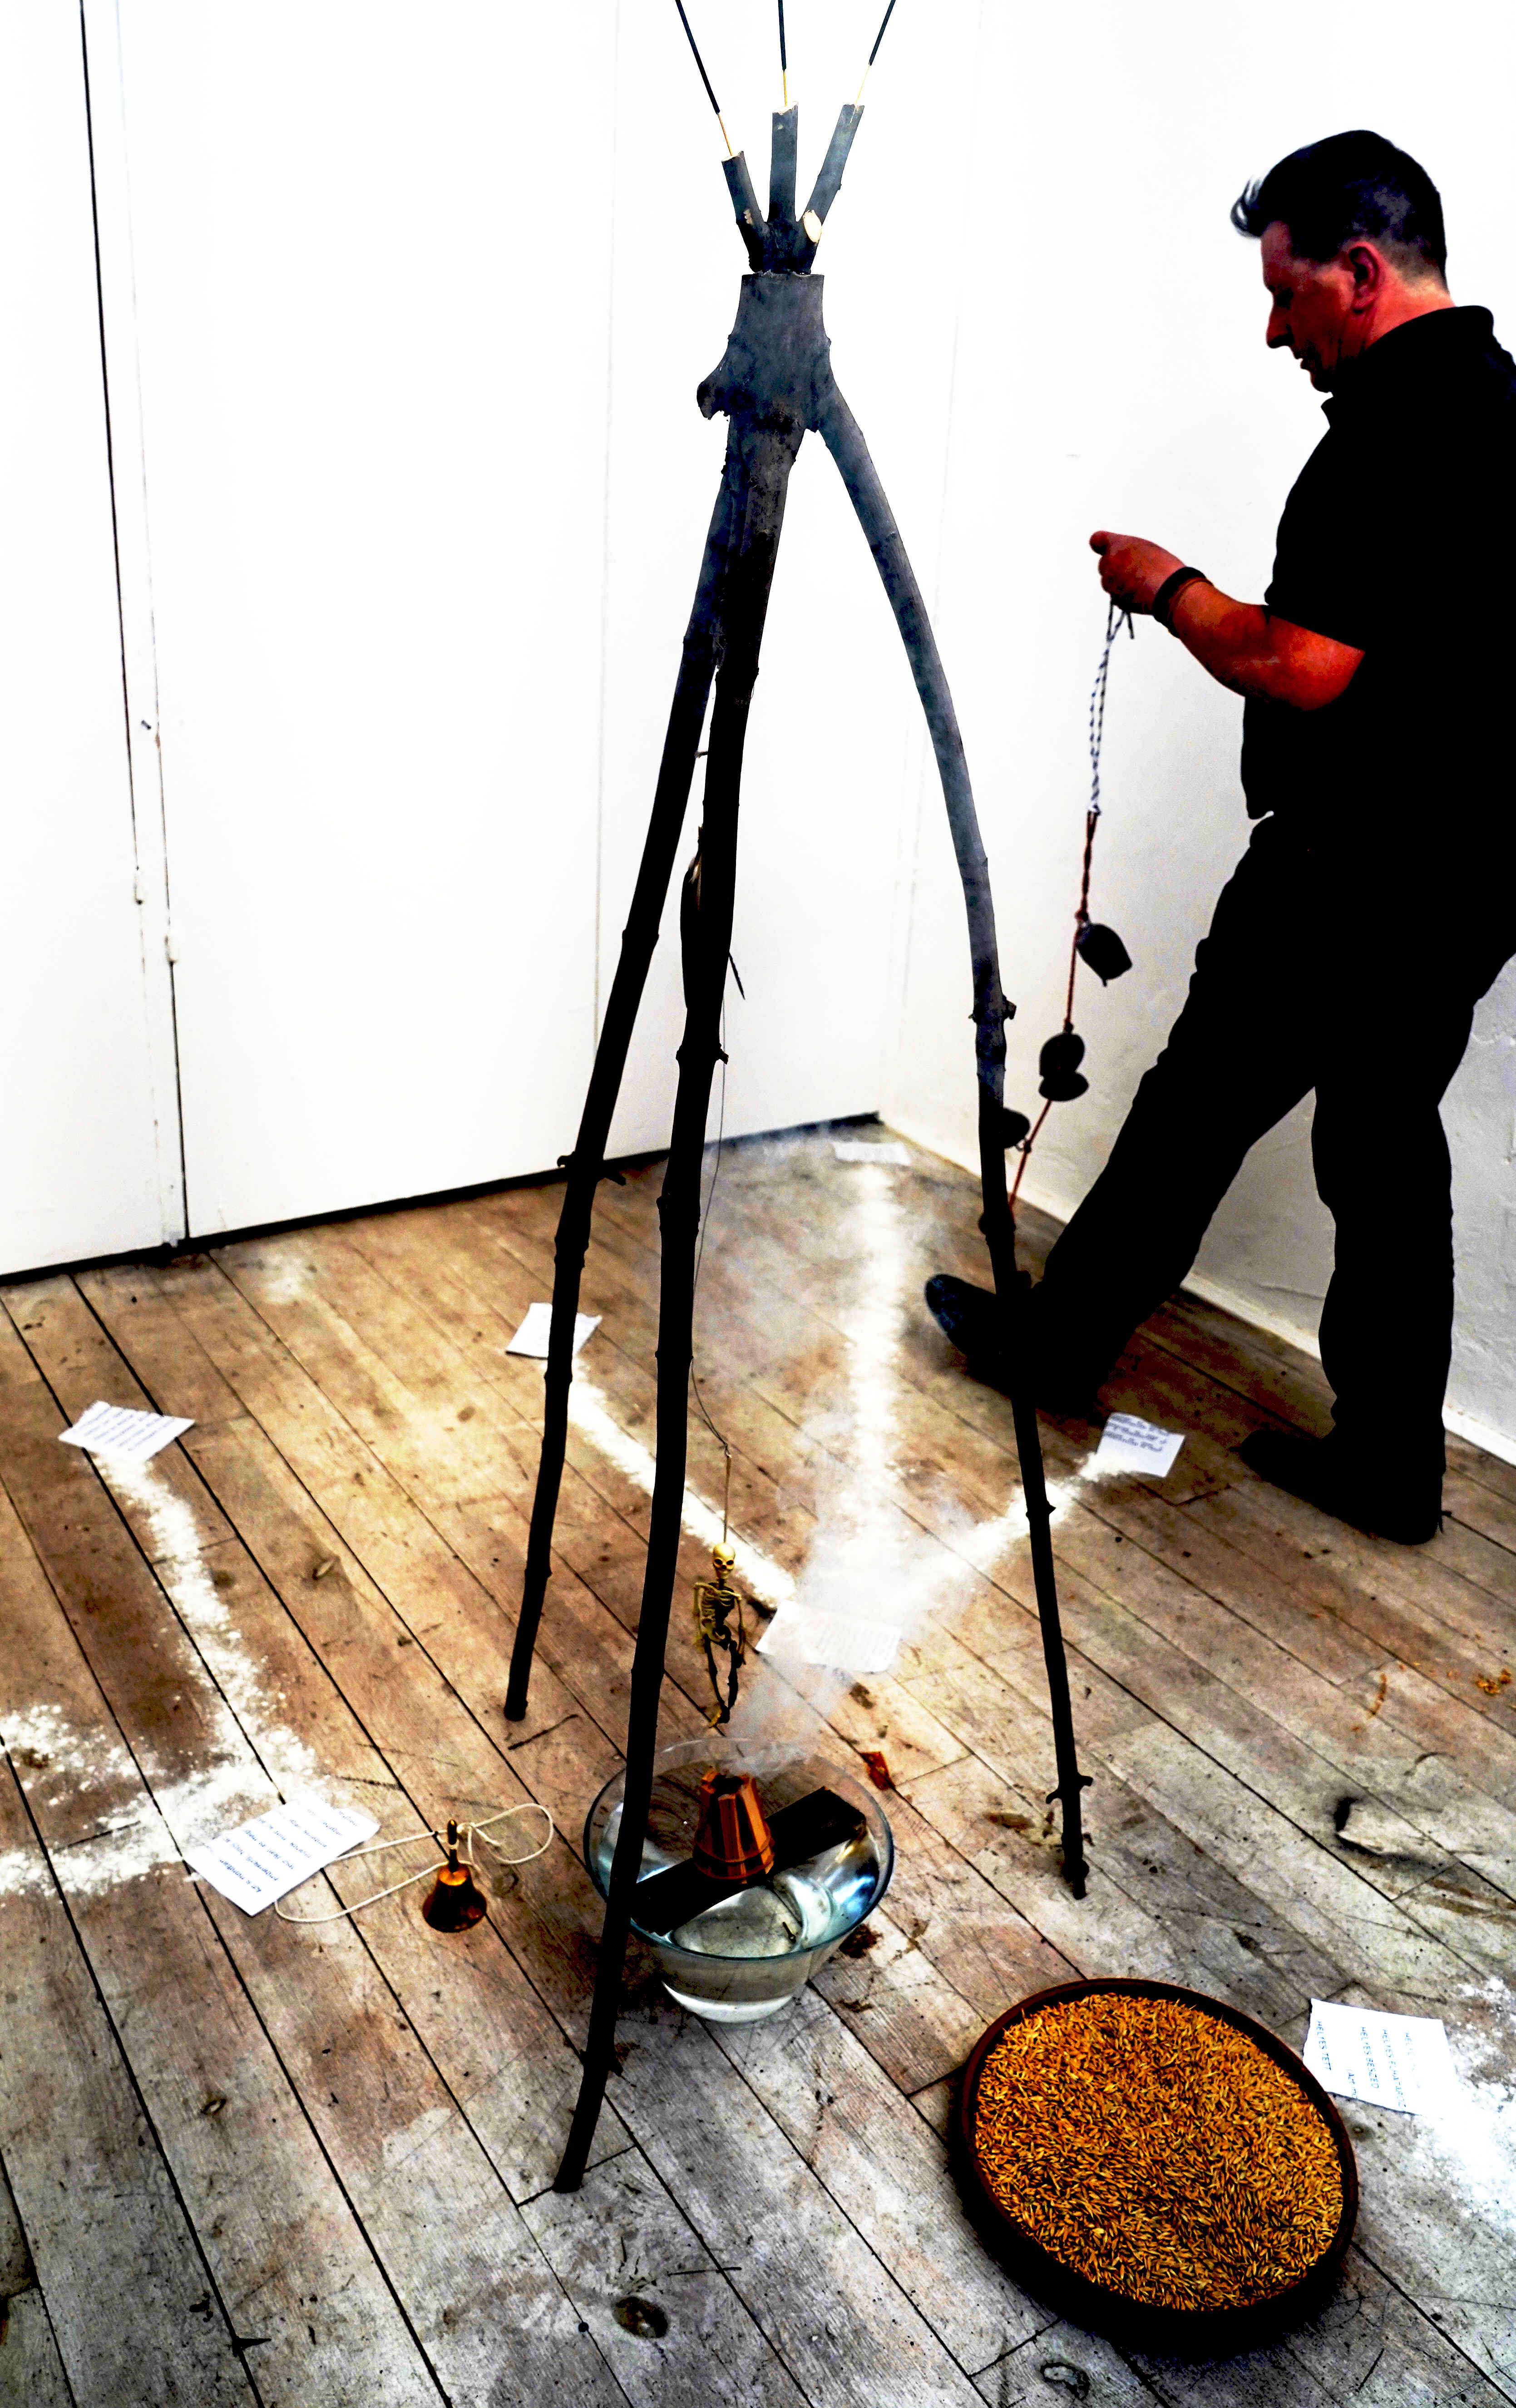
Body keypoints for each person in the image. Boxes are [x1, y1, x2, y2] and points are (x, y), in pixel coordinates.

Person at [927, 130, 1516, 1546]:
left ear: (1358, 271)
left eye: (1284, 293)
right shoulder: (1505, 405)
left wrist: (1165, 583)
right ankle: (1390, 1463)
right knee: (1381, 1150)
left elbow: (1298, 663)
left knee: (1197, 1108)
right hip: (1476, 863)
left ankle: (1060, 1345)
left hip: (1353, 862)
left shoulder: (1388, 433)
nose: (1273, 332)